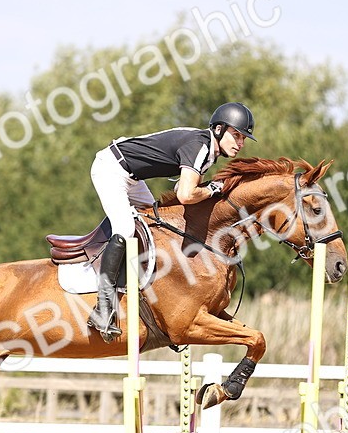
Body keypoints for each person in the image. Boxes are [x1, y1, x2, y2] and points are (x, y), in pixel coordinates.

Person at [86, 102, 257, 341]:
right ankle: (102, 308)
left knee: (155, 220)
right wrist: (213, 190)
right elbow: (186, 195)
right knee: (125, 229)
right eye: (236, 135)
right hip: (111, 169)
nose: (240, 144)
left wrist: (207, 190)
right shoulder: (201, 147)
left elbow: (181, 188)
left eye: (243, 139)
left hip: (132, 177)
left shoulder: (207, 150)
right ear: (218, 129)